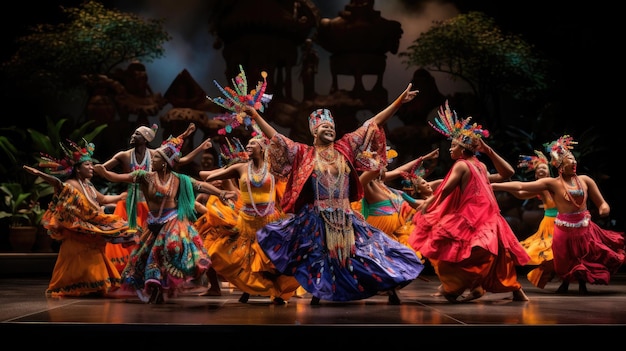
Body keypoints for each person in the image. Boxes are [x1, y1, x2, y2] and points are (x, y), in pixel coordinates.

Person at [249, 83, 425, 305]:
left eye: (331, 126)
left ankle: (390, 286)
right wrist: (254, 114)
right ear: (314, 131)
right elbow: (277, 138)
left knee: (370, 253)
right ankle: (317, 294)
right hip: (316, 218)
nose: (330, 129)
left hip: (345, 216)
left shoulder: (346, 147)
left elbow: (374, 123)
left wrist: (398, 102)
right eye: (324, 127)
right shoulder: (304, 154)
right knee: (318, 257)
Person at [409, 100, 531, 303]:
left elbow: (506, 173)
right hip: (485, 216)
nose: (450, 150)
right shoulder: (477, 166)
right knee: (495, 253)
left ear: (463, 148)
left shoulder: (464, 164)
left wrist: (428, 205)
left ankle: (459, 286)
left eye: (453, 145)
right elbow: (448, 185)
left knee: (465, 252)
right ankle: (505, 289)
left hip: (475, 217)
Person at [94, 135, 238, 304]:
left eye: (155, 157)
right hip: (154, 222)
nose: (152, 158)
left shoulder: (179, 179)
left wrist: (221, 193)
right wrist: (105, 173)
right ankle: (157, 288)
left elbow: (200, 185)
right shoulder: (145, 176)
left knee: (169, 247)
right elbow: (119, 178)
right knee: (141, 258)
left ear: (164, 162)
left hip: (173, 221)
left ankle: (168, 284)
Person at [492, 135, 625, 294]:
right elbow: (522, 185)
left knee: (584, 256)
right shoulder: (552, 184)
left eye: (573, 159)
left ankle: (582, 283)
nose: (574, 162)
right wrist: (494, 185)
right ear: (560, 165)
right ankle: (566, 282)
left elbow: (601, 202)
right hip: (562, 228)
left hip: (584, 227)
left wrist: (604, 208)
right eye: (569, 160)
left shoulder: (585, 180)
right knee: (563, 259)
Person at [24, 139, 134, 297]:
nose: (91, 167)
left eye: (91, 164)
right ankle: (81, 286)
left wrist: (121, 196)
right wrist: (39, 174)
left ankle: (94, 286)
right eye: (87, 165)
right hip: (77, 229)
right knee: (75, 261)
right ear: (77, 169)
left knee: (99, 251)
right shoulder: (71, 184)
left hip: (90, 227)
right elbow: (57, 183)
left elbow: (102, 199)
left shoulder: (88, 184)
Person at [201, 134, 300, 305]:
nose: (248, 145)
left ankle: (276, 291)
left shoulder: (273, 168)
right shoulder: (240, 168)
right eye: (247, 143)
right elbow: (205, 176)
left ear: (262, 148)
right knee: (244, 260)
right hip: (246, 221)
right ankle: (249, 290)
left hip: (269, 220)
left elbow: (293, 171)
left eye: (253, 143)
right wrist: (225, 171)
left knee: (271, 261)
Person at [101, 122, 211, 274]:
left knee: (155, 242)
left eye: (137, 134)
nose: (133, 136)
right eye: (134, 133)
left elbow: (180, 160)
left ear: (146, 139)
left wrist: (192, 141)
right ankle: (139, 272)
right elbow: (106, 171)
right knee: (134, 241)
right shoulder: (124, 156)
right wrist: (92, 170)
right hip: (132, 203)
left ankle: (161, 272)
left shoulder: (155, 155)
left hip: (153, 204)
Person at [358, 148, 439, 248]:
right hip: (376, 242)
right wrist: (377, 156)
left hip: (390, 240)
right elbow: (372, 171)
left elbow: (401, 170)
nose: (386, 166)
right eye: (384, 163)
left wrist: (425, 158)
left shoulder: (384, 185)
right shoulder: (366, 187)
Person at [507, 150, 558, 289]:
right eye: (539, 169)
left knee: (556, 250)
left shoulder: (556, 183)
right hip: (548, 223)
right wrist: (508, 185)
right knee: (545, 251)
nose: (541, 170)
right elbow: (521, 194)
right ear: (536, 174)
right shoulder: (540, 188)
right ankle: (548, 272)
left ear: (549, 172)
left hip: (561, 221)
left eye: (544, 168)